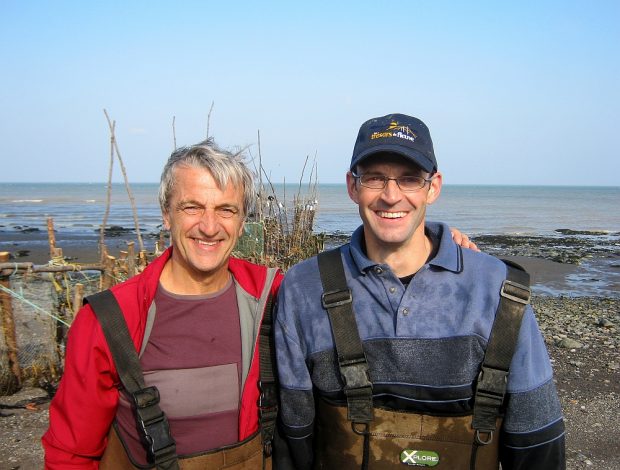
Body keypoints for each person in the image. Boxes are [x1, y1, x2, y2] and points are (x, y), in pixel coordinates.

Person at [274, 113, 566, 469]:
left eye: (410, 179)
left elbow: (538, 440)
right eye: (375, 178)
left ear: (434, 187)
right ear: (352, 187)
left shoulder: (499, 290)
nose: (391, 196)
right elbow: (294, 437)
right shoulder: (304, 289)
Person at [43, 140, 283, 469]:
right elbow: (72, 454)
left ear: (242, 222)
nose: (209, 227)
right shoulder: (110, 321)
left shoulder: (273, 297)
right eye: (192, 207)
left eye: (226, 210)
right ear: (166, 215)